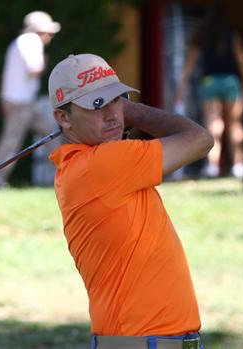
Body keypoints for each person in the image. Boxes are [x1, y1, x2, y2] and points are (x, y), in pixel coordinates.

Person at [48, 53, 213, 348]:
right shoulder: (104, 164)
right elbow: (199, 139)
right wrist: (132, 111)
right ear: (63, 118)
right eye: (97, 105)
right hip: (142, 341)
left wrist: (116, 113)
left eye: (116, 99)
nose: (112, 113)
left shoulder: (84, 166)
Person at [174, 5, 243, 179]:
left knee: (213, 124)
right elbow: (242, 60)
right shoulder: (231, 35)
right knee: (235, 124)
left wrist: (180, 89)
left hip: (209, 82)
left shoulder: (202, 36)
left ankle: (211, 165)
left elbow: (188, 65)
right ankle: (238, 165)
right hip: (231, 82)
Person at [0, 11, 61, 189]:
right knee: (11, 144)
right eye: (49, 33)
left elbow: (6, 75)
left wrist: (4, 100)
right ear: (39, 31)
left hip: (20, 102)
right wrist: (45, 62)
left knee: (51, 133)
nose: (50, 36)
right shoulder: (31, 42)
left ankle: (68, 171)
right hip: (21, 104)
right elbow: (34, 69)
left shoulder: (17, 43)